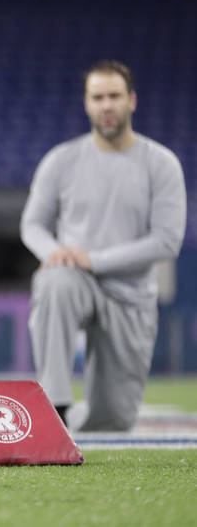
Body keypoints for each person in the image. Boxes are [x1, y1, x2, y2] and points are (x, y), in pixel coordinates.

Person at [20, 61, 186, 431]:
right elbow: (31, 225)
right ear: (86, 104)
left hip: (130, 296)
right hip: (76, 281)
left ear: (132, 101)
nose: (106, 105)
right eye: (98, 97)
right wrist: (56, 254)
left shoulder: (160, 164)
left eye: (114, 96)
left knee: (111, 421)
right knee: (53, 280)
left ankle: (83, 418)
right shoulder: (61, 160)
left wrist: (92, 259)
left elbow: (166, 241)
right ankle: (54, 405)